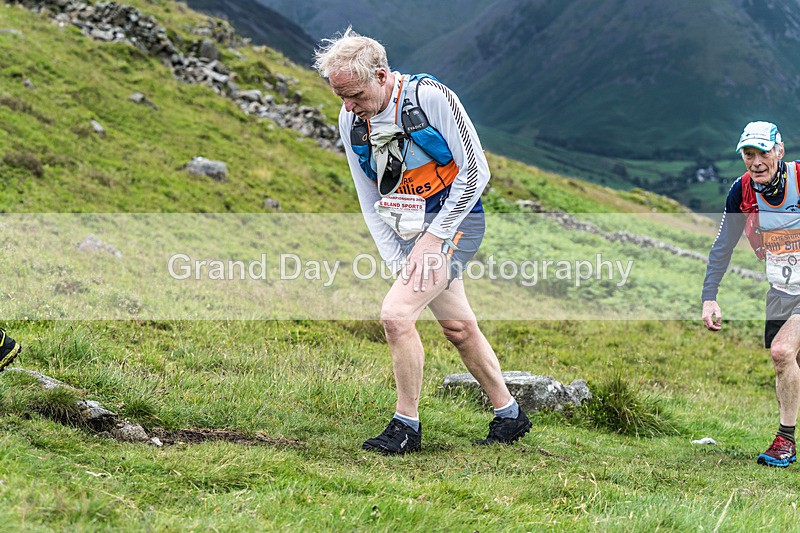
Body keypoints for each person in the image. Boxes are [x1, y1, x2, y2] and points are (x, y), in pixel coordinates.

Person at [313, 28, 530, 454]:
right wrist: (397, 257)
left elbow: (477, 172)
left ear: (380, 75)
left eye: (355, 94)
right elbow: (368, 195)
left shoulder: (431, 98)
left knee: (396, 315)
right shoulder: (350, 118)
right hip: (406, 227)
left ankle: (406, 426)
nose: (348, 106)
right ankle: (509, 415)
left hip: (457, 221)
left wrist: (434, 238)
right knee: (458, 328)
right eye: (340, 96)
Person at [702, 121, 800, 467]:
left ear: (780, 151)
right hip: (782, 290)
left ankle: (784, 442)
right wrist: (709, 296)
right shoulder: (741, 191)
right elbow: (722, 246)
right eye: (749, 154)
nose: (756, 161)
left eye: (763, 152)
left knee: (782, 351)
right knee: (791, 365)